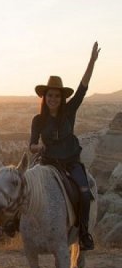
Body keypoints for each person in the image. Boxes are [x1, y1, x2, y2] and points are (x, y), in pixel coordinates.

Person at [29, 42, 100, 251]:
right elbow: (32, 143)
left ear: (62, 98)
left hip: (70, 162)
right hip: (48, 163)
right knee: (25, 187)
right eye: (49, 95)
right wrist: (36, 148)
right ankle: (17, 225)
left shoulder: (69, 111)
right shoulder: (38, 120)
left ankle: (84, 233)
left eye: (57, 96)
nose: (53, 99)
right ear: (45, 97)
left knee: (85, 192)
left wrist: (92, 62)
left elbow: (83, 87)